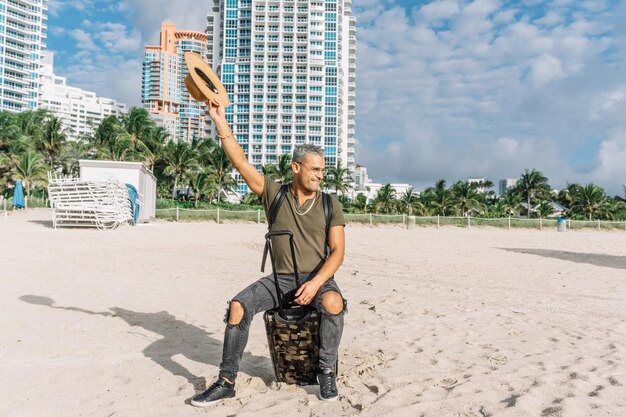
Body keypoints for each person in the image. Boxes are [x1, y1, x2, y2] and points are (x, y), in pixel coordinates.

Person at [191, 100, 347, 406]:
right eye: (314, 169)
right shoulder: (274, 194)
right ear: (296, 167)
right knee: (238, 306)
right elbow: (241, 163)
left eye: (322, 171)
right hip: (281, 281)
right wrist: (219, 121)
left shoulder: (331, 204)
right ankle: (226, 380)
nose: (319, 175)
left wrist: (315, 284)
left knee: (333, 302)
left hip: (317, 279)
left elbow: (338, 252)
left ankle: (326, 371)